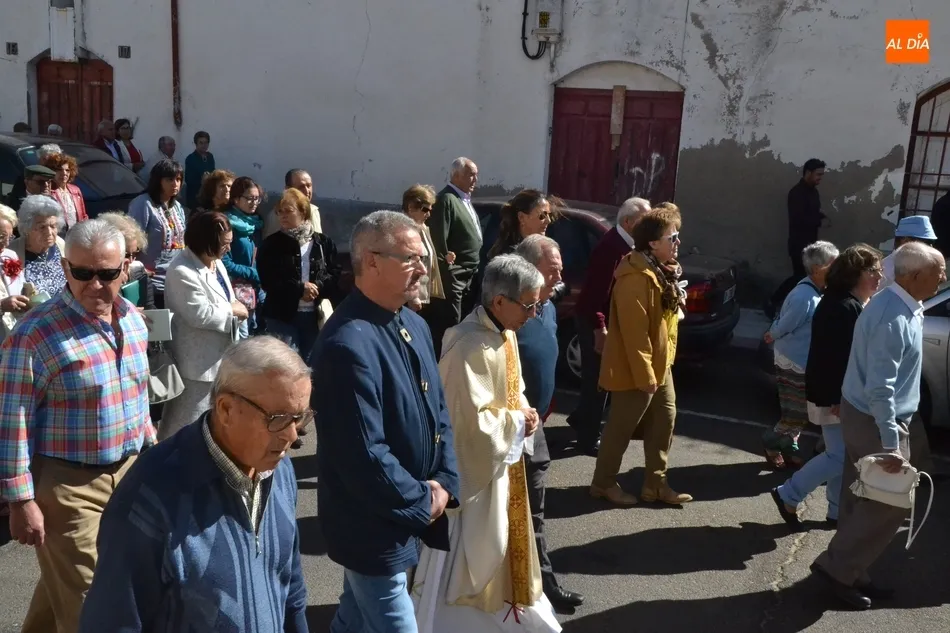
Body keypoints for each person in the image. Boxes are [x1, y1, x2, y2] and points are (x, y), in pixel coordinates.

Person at [78, 337, 310, 632]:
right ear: (226, 409)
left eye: (300, 418)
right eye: (278, 419)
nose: (292, 436)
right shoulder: (150, 497)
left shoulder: (278, 469)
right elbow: (113, 622)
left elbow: (290, 589)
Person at [0, 219, 154, 633]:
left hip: (128, 473)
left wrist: (151, 454)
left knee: (64, 588)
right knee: (95, 603)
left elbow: (137, 395)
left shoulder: (132, 320)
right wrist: (20, 500)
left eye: (106, 273)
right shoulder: (35, 334)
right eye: (82, 272)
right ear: (66, 268)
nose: (94, 284)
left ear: (125, 268)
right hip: (67, 486)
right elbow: (11, 421)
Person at [312, 210, 460, 633]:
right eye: (410, 258)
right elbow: (364, 455)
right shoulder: (346, 344)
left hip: (406, 510)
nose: (424, 268)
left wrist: (445, 480)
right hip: (371, 525)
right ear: (372, 261)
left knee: (354, 619)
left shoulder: (414, 323)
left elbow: (439, 412)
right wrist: (423, 498)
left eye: (423, 257)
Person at [413, 254, 560, 633]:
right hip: (473, 478)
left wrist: (523, 412)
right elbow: (468, 424)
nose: (533, 314)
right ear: (499, 301)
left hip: (502, 465)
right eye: (528, 305)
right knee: (471, 553)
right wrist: (518, 422)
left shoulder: (504, 334)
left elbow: (513, 389)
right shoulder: (466, 345)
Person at [810, 242, 946, 610]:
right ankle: (838, 569)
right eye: (938, 272)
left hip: (866, 415)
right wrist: (890, 444)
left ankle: (852, 569)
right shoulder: (892, 317)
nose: (943, 278)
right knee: (890, 502)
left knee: (862, 495)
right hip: (877, 420)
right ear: (913, 276)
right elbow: (880, 389)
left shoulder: (899, 304)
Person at [770, 244, 883, 530]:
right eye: (873, 271)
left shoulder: (848, 303)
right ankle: (788, 493)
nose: (880, 277)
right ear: (856, 274)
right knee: (840, 455)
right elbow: (834, 359)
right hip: (835, 397)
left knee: (840, 455)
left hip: (838, 394)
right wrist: (838, 398)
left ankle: (835, 511)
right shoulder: (843, 307)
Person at [590, 209, 691, 506]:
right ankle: (603, 483)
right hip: (636, 368)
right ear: (652, 243)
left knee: (664, 421)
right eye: (672, 237)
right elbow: (635, 334)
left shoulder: (662, 271)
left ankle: (656, 485)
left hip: (661, 363)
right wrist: (646, 375)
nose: (678, 242)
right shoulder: (634, 277)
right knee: (620, 428)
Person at [512, 235, 584, 609]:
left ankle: (539, 584)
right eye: (551, 269)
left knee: (534, 512)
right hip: (508, 431)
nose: (559, 277)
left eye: (559, 269)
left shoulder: (548, 308)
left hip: (535, 428)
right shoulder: (508, 315)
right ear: (528, 270)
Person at [567, 196, 651, 454]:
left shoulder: (627, 245)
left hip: (606, 320)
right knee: (598, 383)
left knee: (606, 379)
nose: (648, 225)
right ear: (628, 222)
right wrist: (600, 329)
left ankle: (581, 419)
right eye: (644, 220)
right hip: (594, 320)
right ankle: (587, 439)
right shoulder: (611, 248)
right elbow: (595, 295)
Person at [160, 211, 247, 440]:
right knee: (184, 428)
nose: (228, 248)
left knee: (212, 427)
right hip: (197, 365)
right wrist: (233, 310)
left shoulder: (215, 262)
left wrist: (235, 307)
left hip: (219, 359)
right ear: (205, 241)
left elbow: (227, 297)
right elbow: (199, 314)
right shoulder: (182, 270)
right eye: (224, 244)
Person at [762, 241, 839, 469]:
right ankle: (771, 442)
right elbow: (785, 324)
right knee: (796, 413)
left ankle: (788, 445)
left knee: (802, 411)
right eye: (833, 265)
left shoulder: (818, 291)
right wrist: (771, 333)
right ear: (817, 269)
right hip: (793, 361)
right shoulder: (803, 296)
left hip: (805, 361)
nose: (837, 270)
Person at [258, 188, 342, 362]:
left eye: (288, 211)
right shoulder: (271, 244)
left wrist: (317, 286)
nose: (283, 216)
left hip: (314, 317)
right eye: (280, 212)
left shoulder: (323, 243)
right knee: (286, 366)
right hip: (281, 317)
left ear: (303, 212)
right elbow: (267, 280)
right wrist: (299, 288)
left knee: (311, 365)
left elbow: (334, 273)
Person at [427, 157, 482, 357]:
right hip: (454, 280)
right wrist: (448, 273)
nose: (475, 179)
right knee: (450, 329)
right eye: (470, 174)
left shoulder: (463, 199)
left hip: (468, 278)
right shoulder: (446, 200)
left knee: (462, 327)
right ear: (456, 175)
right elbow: (438, 240)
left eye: (476, 175)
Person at [769, 159, 827, 315]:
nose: (820, 178)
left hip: (811, 244)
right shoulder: (796, 193)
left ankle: (790, 306)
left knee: (803, 277)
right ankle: (773, 301)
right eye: (818, 174)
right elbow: (799, 219)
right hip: (798, 243)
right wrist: (818, 221)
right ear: (808, 173)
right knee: (800, 277)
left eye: (822, 175)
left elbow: (813, 212)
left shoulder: (814, 192)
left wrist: (821, 216)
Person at [128, 159, 187, 307]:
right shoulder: (143, 204)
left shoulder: (177, 206)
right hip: (151, 280)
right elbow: (131, 241)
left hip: (175, 279)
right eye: (169, 179)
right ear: (158, 180)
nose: (175, 184)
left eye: (178, 179)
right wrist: (137, 268)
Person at [223, 176, 264, 338]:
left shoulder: (256, 223)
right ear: (236, 199)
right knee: (243, 340)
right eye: (249, 198)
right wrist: (253, 273)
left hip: (257, 289)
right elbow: (224, 262)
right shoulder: (227, 224)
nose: (254, 203)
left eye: (257, 199)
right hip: (236, 290)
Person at [10, 194, 67, 298]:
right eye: (42, 227)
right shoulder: (12, 253)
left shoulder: (61, 244)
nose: (49, 232)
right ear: (27, 228)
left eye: (53, 226)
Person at [401, 184, 445, 312]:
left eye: (430, 210)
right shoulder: (402, 231)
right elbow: (403, 267)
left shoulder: (422, 228)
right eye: (425, 209)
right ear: (411, 207)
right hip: (408, 300)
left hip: (423, 296)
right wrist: (412, 297)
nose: (429, 214)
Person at [485, 189, 559, 259]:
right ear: (521, 217)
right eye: (543, 215)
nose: (548, 220)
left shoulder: (539, 250)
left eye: (549, 215)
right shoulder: (511, 257)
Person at [879, 215, 936, 290]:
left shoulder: (921, 266)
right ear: (906, 241)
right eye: (927, 242)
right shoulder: (886, 271)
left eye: (932, 242)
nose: (931, 247)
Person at [264, 169, 323, 238]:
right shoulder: (277, 216)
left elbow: (319, 240)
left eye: (309, 186)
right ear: (288, 189)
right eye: (301, 187)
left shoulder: (314, 210)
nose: (307, 191)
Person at [0, 203, 27, 345]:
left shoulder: (10, 255)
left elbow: (19, 285)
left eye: (10, 237)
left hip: (12, 333)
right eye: (1, 236)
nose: (5, 243)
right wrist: (1, 306)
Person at [42, 151, 88, 231]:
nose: (64, 173)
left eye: (67, 170)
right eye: (59, 170)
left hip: (77, 234)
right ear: (51, 171)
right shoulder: (48, 192)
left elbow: (84, 216)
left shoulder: (75, 190)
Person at [185, 130, 215, 210]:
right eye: (201, 143)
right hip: (195, 197)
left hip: (208, 196)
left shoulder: (210, 156)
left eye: (206, 143)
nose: (204, 145)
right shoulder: (190, 158)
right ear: (196, 144)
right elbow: (188, 180)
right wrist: (202, 179)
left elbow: (213, 172)